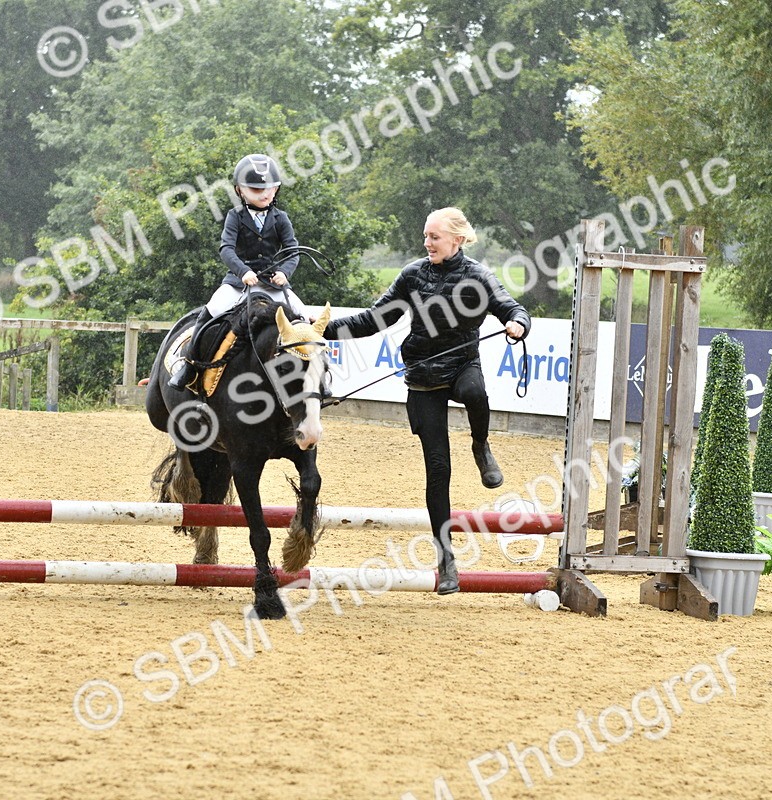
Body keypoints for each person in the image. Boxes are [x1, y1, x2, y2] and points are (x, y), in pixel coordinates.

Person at [323, 207, 530, 594]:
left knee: (475, 392)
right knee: (438, 469)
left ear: (457, 239)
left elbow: (511, 307)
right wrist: (324, 329)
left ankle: (481, 446)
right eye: (425, 236)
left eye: (434, 237)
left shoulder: (478, 276)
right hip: (422, 377)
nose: (427, 243)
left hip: (462, 365)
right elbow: (374, 319)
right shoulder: (412, 274)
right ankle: (445, 557)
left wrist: (519, 323)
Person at [169, 153, 309, 394]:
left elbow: (292, 251)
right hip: (239, 283)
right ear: (239, 190)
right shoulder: (235, 217)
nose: (264, 194)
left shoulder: (281, 218)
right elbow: (226, 249)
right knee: (209, 313)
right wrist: (243, 271)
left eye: (270, 188)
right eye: (256, 189)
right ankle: (189, 366)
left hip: (272, 285)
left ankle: (316, 376)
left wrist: (284, 273)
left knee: (305, 319)